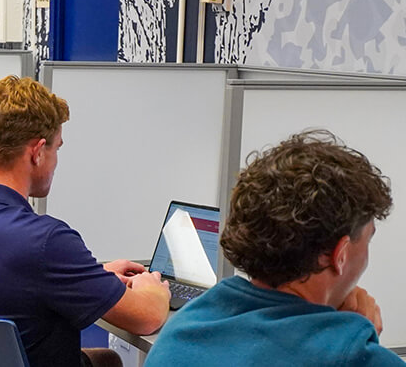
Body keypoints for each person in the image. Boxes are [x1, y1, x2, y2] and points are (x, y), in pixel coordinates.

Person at [0, 76, 171, 367]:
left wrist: (93, 274)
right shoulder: (45, 242)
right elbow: (147, 318)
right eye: (57, 148)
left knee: (106, 360)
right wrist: (153, 288)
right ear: (37, 152)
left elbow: (5, 278)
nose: (56, 160)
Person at [145, 131, 403, 366]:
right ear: (340, 254)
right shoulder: (350, 358)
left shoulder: (182, 330)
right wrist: (356, 342)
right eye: (367, 240)